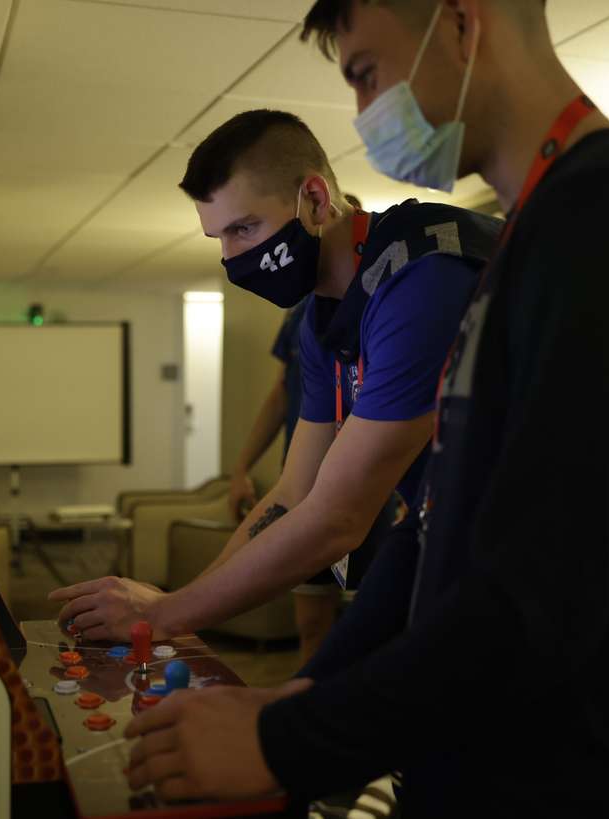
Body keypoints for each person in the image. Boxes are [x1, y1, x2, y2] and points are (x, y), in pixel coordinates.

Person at [123, 2, 609, 817]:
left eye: (367, 74)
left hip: (593, 783)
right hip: (478, 764)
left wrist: (289, 740)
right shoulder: (527, 239)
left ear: (462, 22)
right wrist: (298, 699)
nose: (363, 113)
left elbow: (538, 592)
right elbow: (433, 533)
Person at [50, 109, 499, 645]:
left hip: (552, 534)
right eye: (219, 238)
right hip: (455, 520)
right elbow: (293, 492)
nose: (232, 258)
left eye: (244, 228)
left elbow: (337, 518)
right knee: (335, 686)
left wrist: (168, 613)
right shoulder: (320, 323)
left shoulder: (420, 277)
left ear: (313, 198)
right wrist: (174, 602)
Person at [227, 194, 403, 664]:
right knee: (313, 625)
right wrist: (242, 465)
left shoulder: (398, 298)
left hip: (373, 483)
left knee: (374, 629)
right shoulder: (305, 317)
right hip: (308, 472)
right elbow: (283, 392)